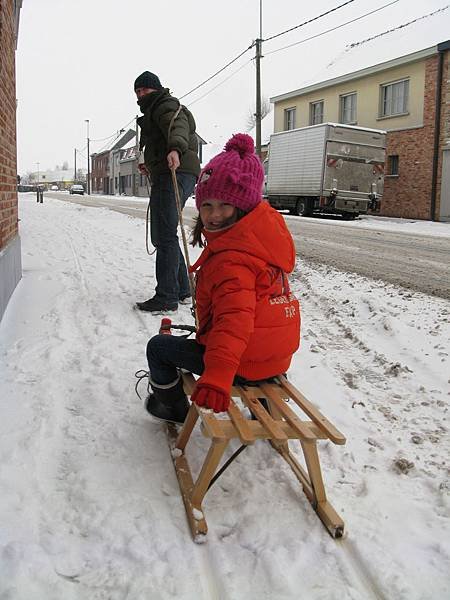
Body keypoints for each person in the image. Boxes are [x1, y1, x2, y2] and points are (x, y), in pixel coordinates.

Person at [143, 133, 300, 424]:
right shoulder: (262, 239)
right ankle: (263, 404)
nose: (214, 215)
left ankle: (171, 407)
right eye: (207, 205)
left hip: (242, 362)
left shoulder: (232, 260)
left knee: (158, 347)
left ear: (243, 207)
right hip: (274, 359)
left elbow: (234, 321)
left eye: (225, 205)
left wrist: (217, 375)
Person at [134, 70, 201, 312]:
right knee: (165, 234)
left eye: (145, 90)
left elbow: (178, 127)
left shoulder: (165, 106)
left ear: (156, 89)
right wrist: (148, 163)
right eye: (138, 92)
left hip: (176, 172)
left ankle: (167, 296)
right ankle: (183, 289)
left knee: (164, 235)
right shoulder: (154, 110)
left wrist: (175, 149)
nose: (141, 95)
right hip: (170, 172)